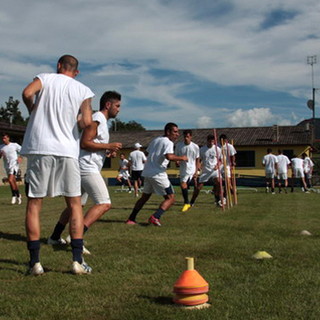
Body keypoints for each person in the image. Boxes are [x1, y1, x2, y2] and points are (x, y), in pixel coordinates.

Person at [21, 54, 94, 275]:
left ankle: (35, 263)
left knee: (35, 204)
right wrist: (74, 121)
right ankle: (77, 261)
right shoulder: (84, 90)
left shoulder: (45, 78)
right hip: (67, 151)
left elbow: (27, 93)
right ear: (76, 72)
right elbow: (87, 121)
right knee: (74, 204)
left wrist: (32, 108)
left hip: (40, 146)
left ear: (58, 66)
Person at [48, 91, 122, 254]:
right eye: (117, 106)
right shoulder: (97, 119)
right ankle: (76, 238)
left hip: (83, 166)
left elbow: (92, 145)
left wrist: (107, 151)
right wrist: (108, 146)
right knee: (104, 203)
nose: (119, 110)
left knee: (76, 206)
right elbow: (84, 143)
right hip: (86, 168)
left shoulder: (101, 121)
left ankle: (54, 237)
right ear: (108, 105)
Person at [126, 122, 187, 226]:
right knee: (171, 198)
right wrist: (182, 158)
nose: (177, 134)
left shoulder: (156, 140)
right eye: (175, 132)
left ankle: (131, 219)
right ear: (168, 132)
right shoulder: (168, 142)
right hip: (158, 174)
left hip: (147, 173)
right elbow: (169, 156)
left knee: (144, 197)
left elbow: (148, 153)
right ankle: (155, 217)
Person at [189, 134, 222, 207]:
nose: (211, 143)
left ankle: (218, 199)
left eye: (212, 141)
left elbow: (221, 160)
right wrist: (198, 167)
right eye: (210, 141)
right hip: (205, 171)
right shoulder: (202, 149)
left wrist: (217, 165)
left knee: (219, 183)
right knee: (198, 187)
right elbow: (199, 160)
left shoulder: (217, 149)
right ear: (207, 141)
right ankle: (192, 201)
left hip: (214, 170)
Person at [174, 130, 200, 212]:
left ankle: (186, 203)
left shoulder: (195, 147)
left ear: (191, 137)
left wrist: (196, 170)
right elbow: (176, 156)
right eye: (185, 136)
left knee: (183, 184)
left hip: (191, 169)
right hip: (182, 169)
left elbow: (197, 159)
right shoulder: (178, 145)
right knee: (184, 185)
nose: (186, 138)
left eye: (187, 137)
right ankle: (189, 201)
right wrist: (177, 162)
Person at [0, 133, 23, 204]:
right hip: (7, 166)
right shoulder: (1, 147)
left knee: (10, 180)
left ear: (8, 138)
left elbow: (22, 150)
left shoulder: (14, 145)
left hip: (14, 165)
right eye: (3, 139)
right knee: (12, 181)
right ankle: (18, 195)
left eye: (5, 138)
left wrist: (20, 157)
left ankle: (13, 195)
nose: (4, 140)